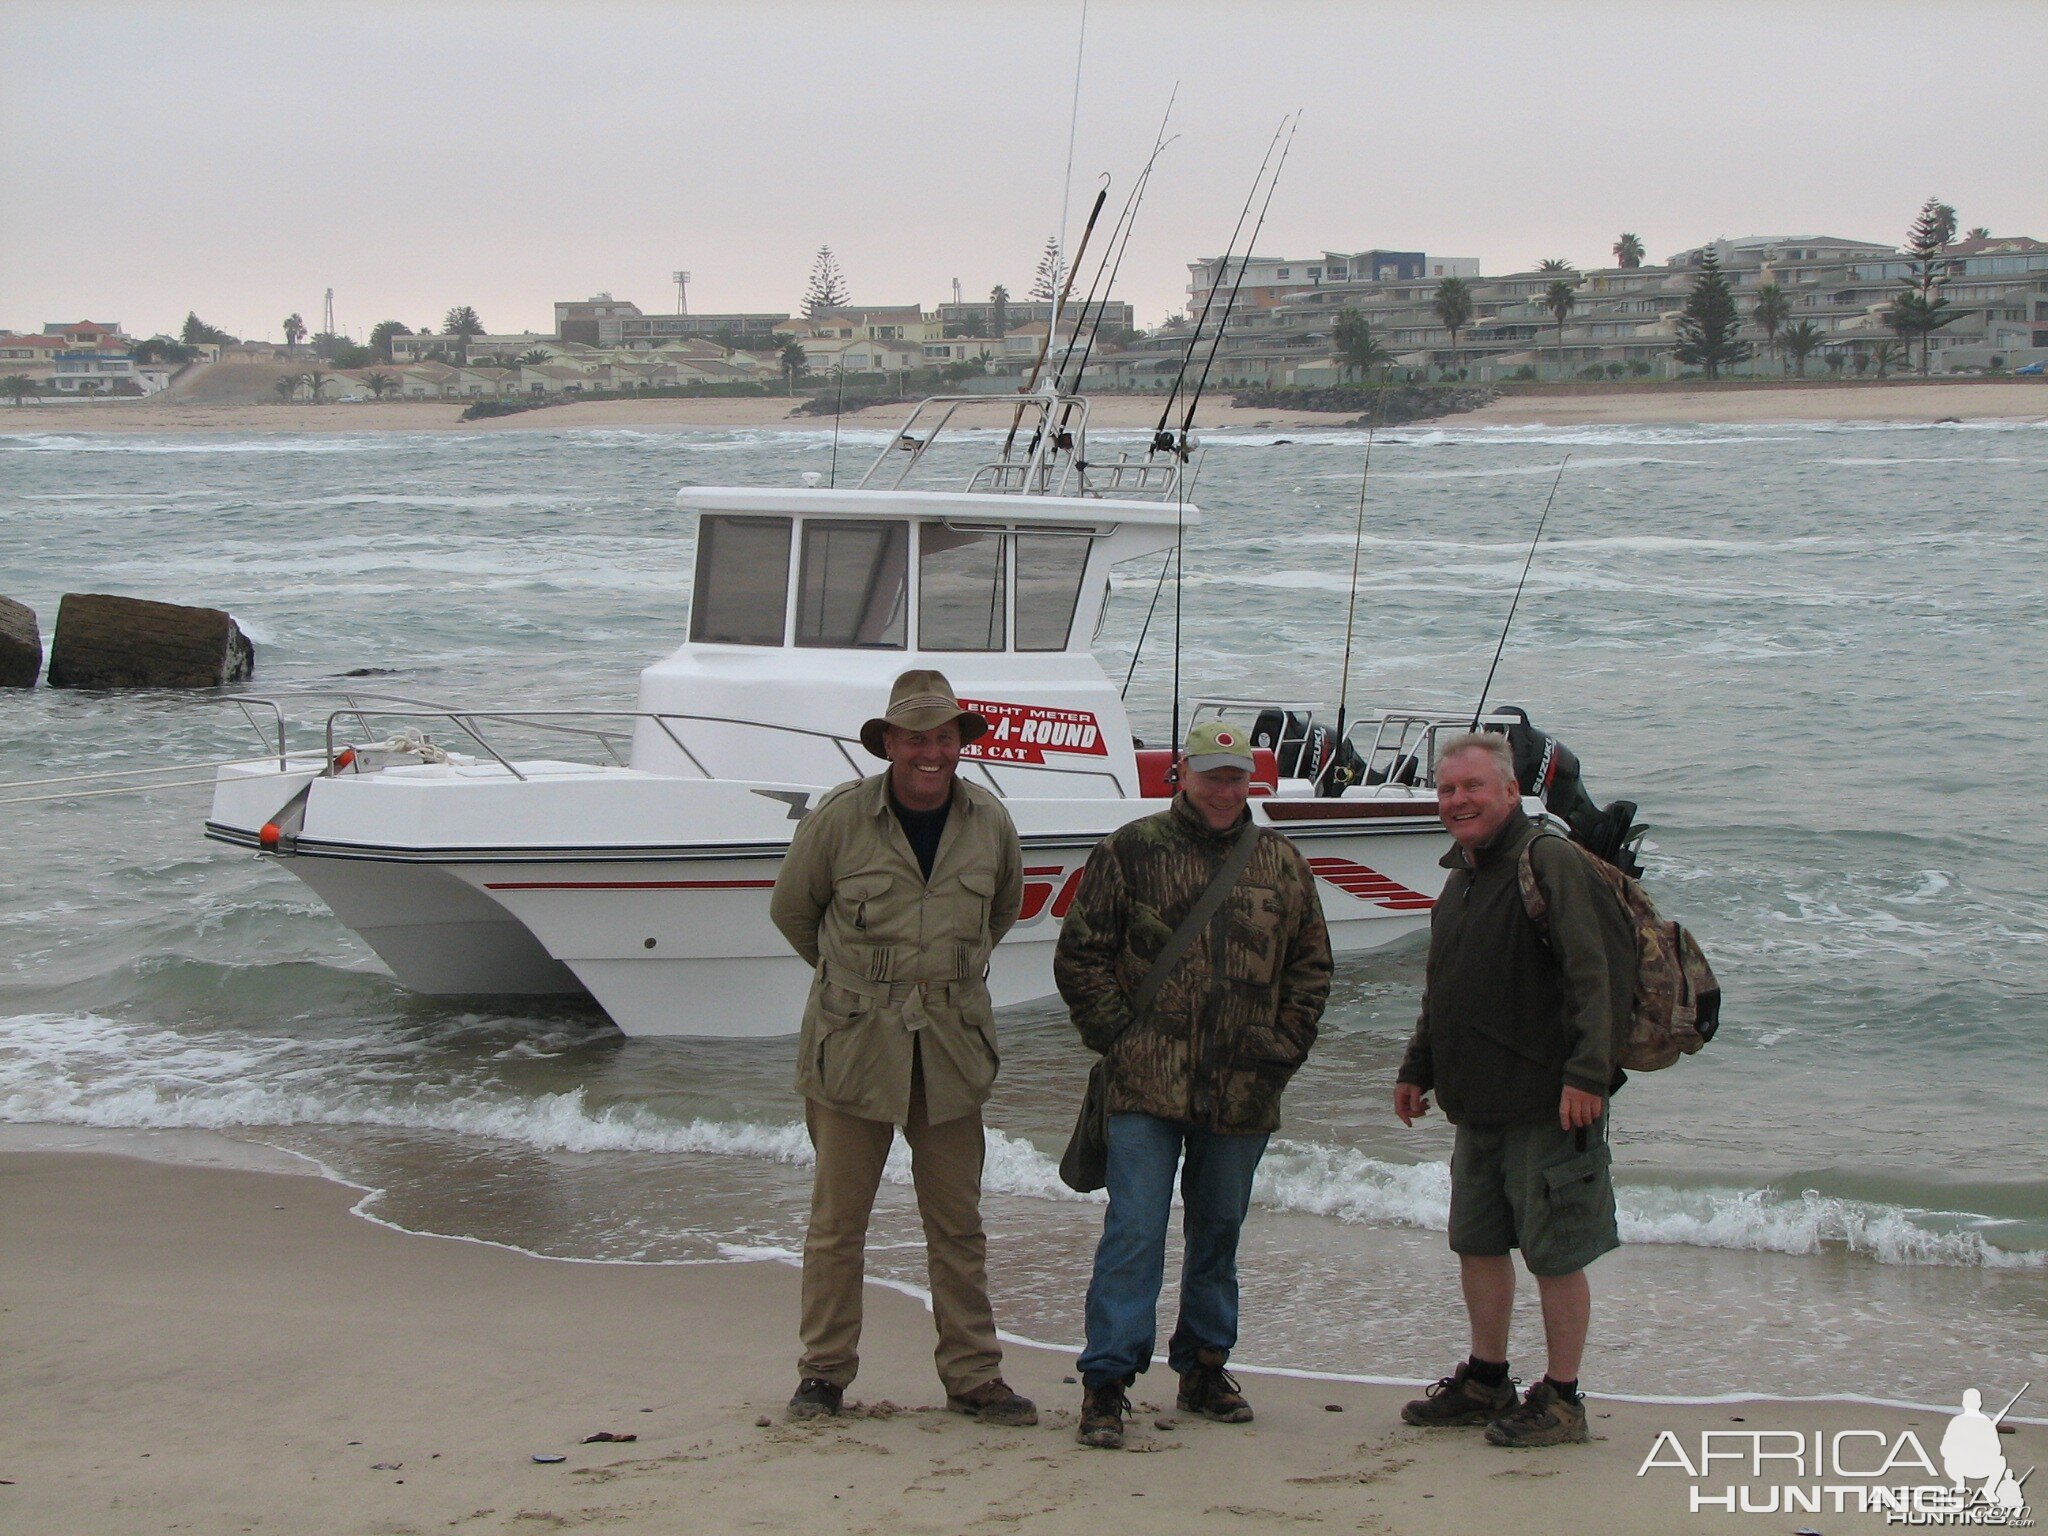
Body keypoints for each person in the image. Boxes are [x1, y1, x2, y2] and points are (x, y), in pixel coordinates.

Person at [1054, 719, 1332, 1449]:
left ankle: (1205, 1367)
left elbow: (1312, 967)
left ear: (1252, 781)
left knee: (1219, 1234)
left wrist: (1281, 1048)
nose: (1223, 789)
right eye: (1211, 775)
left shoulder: (1280, 861)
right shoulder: (1131, 848)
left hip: (1242, 1089)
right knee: (1135, 1231)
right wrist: (1120, 1036)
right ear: (1183, 774)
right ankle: (1107, 1382)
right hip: (1146, 1088)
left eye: (1235, 776)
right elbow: (1081, 954)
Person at [769, 668, 1036, 1427]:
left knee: (957, 1225)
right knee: (836, 1226)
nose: (931, 751)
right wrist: (865, 984)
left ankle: (974, 1377)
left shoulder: (990, 822)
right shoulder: (842, 819)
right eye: (915, 737)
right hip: (854, 1045)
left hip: (951, 1045)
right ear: (889, 744)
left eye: (944, 737)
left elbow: (1003, 912)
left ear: (959, 744)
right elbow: (794, 913)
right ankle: (822, 1376)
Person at [1393, 730, 1633, 1448]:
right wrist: (1417, 1067)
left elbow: (1598, 976)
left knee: (1555, 1252)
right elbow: (1445, 987)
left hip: (1550, 1102)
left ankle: (1562, 1399)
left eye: (1472, 787)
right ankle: (1486, 1379)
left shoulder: (1548, 859)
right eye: (1447, 790)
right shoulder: (1461, 875)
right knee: (1479, 1242)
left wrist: (1588, 1074)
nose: (1458, 800)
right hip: (1479, 1103)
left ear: (1509, 791)